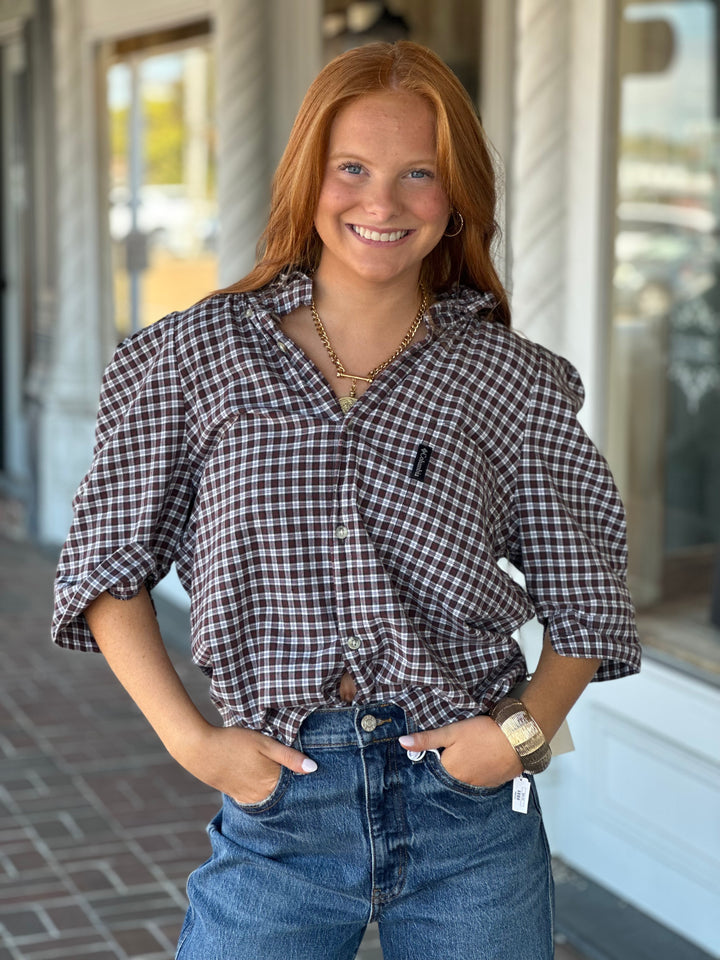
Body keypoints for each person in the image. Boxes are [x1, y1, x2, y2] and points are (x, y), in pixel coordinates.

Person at [52, 40, 641, 960]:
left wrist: (519, 736)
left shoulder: (508, 379)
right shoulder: (194, 358)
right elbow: (104, 568)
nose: (383, 201)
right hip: (280, 806)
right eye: (353, 168)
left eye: (420, 173)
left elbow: (590, 592)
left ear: (455, 203)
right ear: (308, 181)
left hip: (468, 817)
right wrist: (194, 744)